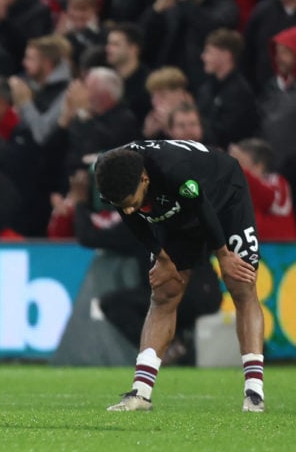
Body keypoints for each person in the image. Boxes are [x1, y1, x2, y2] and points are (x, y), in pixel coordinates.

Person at [94, 141, 264, 413]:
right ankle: (141, 393)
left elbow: (202, 207)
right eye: (120, 205)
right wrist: (162, 258)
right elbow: (130, 217)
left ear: (145, 178)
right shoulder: (111, 173)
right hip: (174, 210)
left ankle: (254, 393)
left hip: (221, 197)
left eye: (130, 203)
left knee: (241, 283)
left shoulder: (173, 169)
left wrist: (223, 255)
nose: (127, 210)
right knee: (165, 292)